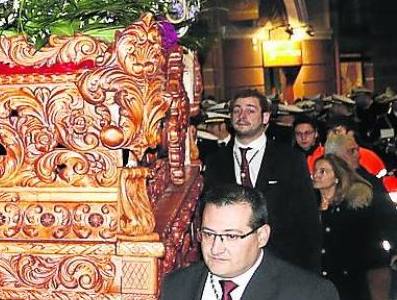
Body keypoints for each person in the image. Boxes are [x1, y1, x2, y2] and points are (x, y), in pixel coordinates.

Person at [202, 88, 321, 270]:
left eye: (250, 110)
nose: (242, 115)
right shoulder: (216, 161)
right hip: (231, 263)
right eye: (237, 110)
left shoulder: (290, 159)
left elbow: (308, 219)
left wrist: (311, 270)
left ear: (265, 118)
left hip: (282, 262)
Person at [159, 183, 337, 300]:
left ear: (262, 236)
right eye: (208, 234)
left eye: (231, 236)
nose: (216, 248)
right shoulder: (176, 286)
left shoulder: (309, 294)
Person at [311, 154, 387, 300]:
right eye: (315, 170)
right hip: (317, 277)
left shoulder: (350, 209)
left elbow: (364, 242)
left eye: (323, 171)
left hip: (346, 279)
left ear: (337, 178)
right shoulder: (309, 206)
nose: (316, 175)